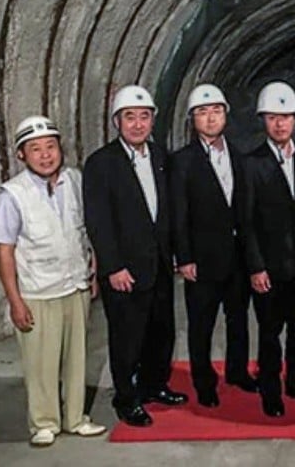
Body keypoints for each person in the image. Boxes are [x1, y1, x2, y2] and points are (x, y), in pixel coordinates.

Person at [0, 115, 106, 447]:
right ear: (21, 155)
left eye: (51, 147)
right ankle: (43, 422)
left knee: (76, 358)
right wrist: (15, 301)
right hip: (37, 291)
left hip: (74, 285)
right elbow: (4, 251)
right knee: (41, 362)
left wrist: (93, 270)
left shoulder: (74, 180)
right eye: (35, 149)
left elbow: (86, 229)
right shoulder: (13, 194)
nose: (45, 155)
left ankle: (75, 418)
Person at [83, 86, 187, 428]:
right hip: (124, 270)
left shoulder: (159, 157)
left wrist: (173, 254)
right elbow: (98, 220)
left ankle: (154, 386)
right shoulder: (102, 163)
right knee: (127, 338)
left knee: (161, 332)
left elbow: (167, 211)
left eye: (144, 117)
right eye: (130, 117)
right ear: (117, 121)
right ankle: (126, 399)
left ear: (153, 120)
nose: (138, 124)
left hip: (157, 264)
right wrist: (112, 267)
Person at [170, 83, 256, 408]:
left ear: (225, 116)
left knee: (238, 319)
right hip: (202, 260)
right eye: (203, 113)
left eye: (216, 111)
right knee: (201, 324)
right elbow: (179, 213)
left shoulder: (239, 155)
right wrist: (185, 257)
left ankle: (237, 372)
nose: (210, 118)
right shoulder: (182, 161)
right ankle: (203, 381)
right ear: (193, 119)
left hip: (237, 259)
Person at [240, 81, 295, 417]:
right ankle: (270, 390)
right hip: (268, 268)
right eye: (273, 117)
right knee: (270, 332)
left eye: (286, 117)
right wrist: (255, 267)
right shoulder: (250, 164)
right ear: (263, 120)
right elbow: (244, 221)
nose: (280, 124)